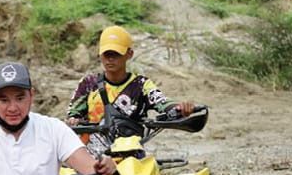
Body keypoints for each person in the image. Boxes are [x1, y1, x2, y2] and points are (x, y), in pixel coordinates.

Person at [66, 25, 195, 155]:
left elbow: (162, 103)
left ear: (129, 54)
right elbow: (73, 115)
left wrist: (179, 109)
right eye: (106, 54)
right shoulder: (88, 83)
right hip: (92, 158)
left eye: (116, 54)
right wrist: (73, 120)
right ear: (100, 54)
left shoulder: (141, 85)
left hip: (131, 157)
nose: (110, 58)